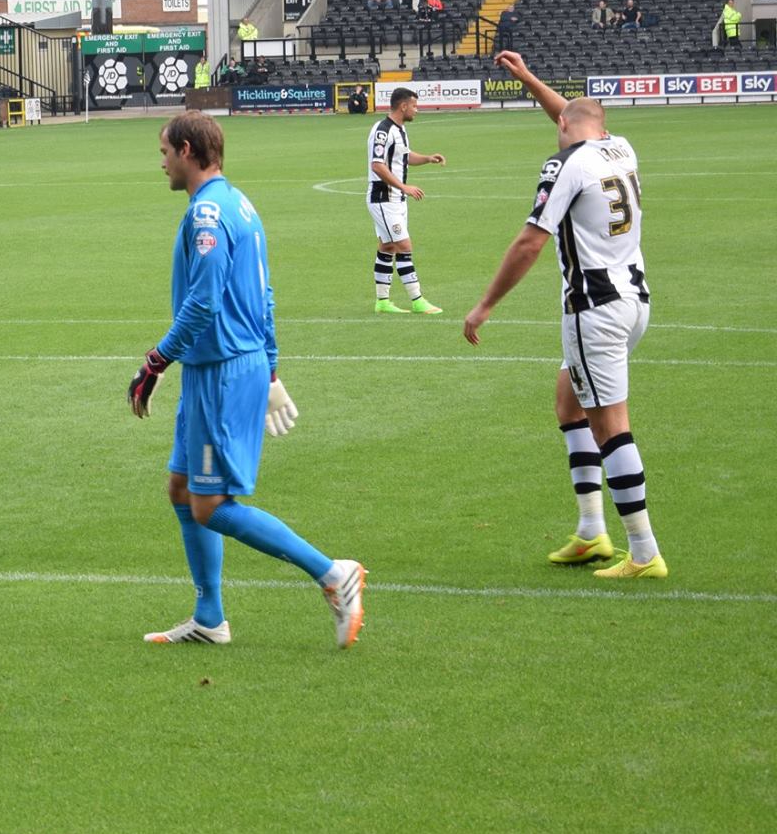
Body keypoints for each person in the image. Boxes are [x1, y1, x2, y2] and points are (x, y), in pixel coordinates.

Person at [133, 111, 365, 648]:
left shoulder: (208, 213)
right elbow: (265, 294)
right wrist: (272, 366)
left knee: (210, 505)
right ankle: (209, 618)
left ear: (187, 150)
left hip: (222, 371)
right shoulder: (239, 202)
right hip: (220, 367)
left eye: (165, 151)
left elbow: (204, 302)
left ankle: (333, 573)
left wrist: (156, 361)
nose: (161, 162)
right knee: (182, 488)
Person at [465, 53, 664, 579]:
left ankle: (643, 551)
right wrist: (530, 79)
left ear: (563, 128)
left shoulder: (565, 165)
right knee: (568, 402)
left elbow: (530, 243)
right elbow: (574, 116)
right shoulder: (620, 147)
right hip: (634, 300)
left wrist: (485, 305)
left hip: (593, 309)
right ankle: (591, 531)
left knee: (611, 427)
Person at [367, 88, 447, 315]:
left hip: (396, 200)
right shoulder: (382, 131)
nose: (416, 110)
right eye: (414, 106)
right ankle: (417, 300)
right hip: (384, 198)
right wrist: (404, 187)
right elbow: (377, 165)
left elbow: (405, 156)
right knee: (404, 246)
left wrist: (427, 158)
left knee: (388, 246)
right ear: (403, 106)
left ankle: (382, 302)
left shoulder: (400, 130)